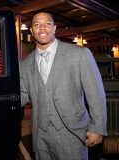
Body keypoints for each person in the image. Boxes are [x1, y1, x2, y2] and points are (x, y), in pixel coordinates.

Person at [20, 11, 107, 160]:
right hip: (40, 135)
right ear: (31, 31)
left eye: (47, 23)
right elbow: (23, 94)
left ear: (54, 28)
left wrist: (98, 128)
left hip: (72, 133)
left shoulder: (79, 54)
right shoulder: (25, 64)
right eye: (37, 24)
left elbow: (95, 92)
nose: (42, 28)